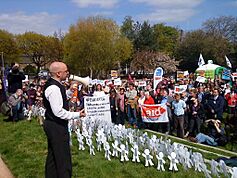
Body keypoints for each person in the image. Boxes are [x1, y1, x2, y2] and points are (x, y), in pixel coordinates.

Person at [43, 61, 85, 178]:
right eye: (66, 71)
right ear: (58, 73)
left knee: (53, 156)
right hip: (56, 125)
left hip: (52, 124)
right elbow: (58, 111)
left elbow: (60, 99)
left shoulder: (55, 85)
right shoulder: (54, 88)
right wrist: (77, 115)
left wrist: (70, 91)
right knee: (63, 158)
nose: (68, 73)